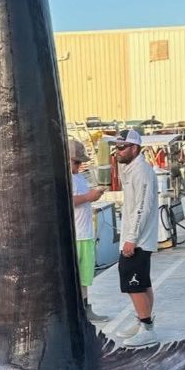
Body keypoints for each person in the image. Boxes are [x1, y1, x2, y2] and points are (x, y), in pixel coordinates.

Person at [114, 128, 159, 347]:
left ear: (135, 148)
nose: (117, 151)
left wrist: (130, 238)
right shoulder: (130, 168)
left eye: (122, 147)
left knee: (134, 284)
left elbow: (143, 207)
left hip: (138, 238)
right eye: (116, 147)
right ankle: (143, 322)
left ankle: (147, 327)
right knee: (143, 281)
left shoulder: (141, 170)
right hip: (136, 237)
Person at [69, 137, 108, 322]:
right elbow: (70, 201)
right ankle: (75, 309)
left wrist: (93, 196)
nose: (78, 166)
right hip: (75, 235)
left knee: (84, 276)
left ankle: (85, 307)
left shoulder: (79, 178)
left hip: (85, 234)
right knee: (74, 277)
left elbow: (82, 199)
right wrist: (89, 197)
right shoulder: (66, 179)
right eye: (76, 162)